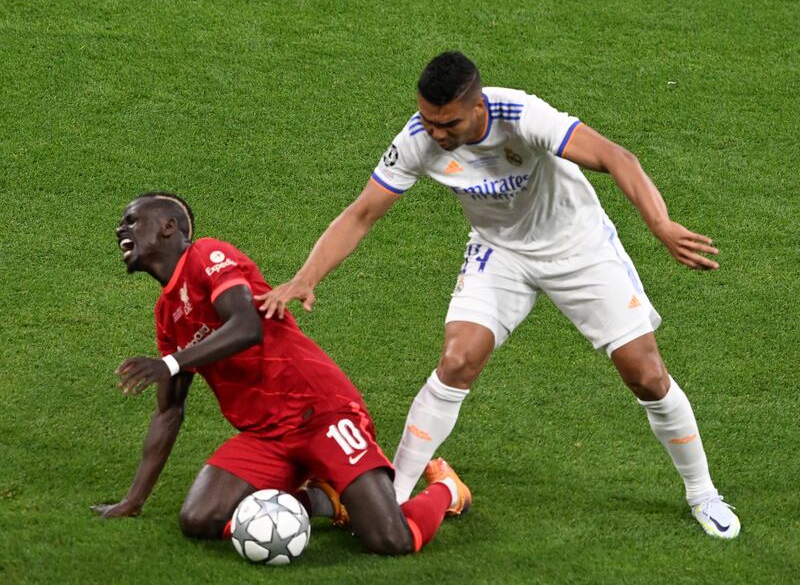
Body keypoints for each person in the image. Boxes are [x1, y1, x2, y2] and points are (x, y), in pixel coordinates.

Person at [257, 51, 740, 539]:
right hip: (500, 252)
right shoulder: (416, 140)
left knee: (647, 376)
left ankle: (702, 492)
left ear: (477, 107)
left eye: (447, 123)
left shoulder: (523, 116)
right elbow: (360, 214)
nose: (436, 134)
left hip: (578, 247)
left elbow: (617, 157)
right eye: (428, 120)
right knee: (457, 360)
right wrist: (307, 276)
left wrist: (660, 224)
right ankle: (393, 495)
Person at [92, 192, 471, 556]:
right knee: (199, 519)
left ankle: (447, 491)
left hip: (321, 414)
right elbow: (169, 411)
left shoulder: (207, 255)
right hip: (266, 436)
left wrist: (171, 363)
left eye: (131, 221)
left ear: (168, 226)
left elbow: (246, 327)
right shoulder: (167, 314)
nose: (120, 230)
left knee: (391, 540)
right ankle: (322, 499)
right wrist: (133, 500)